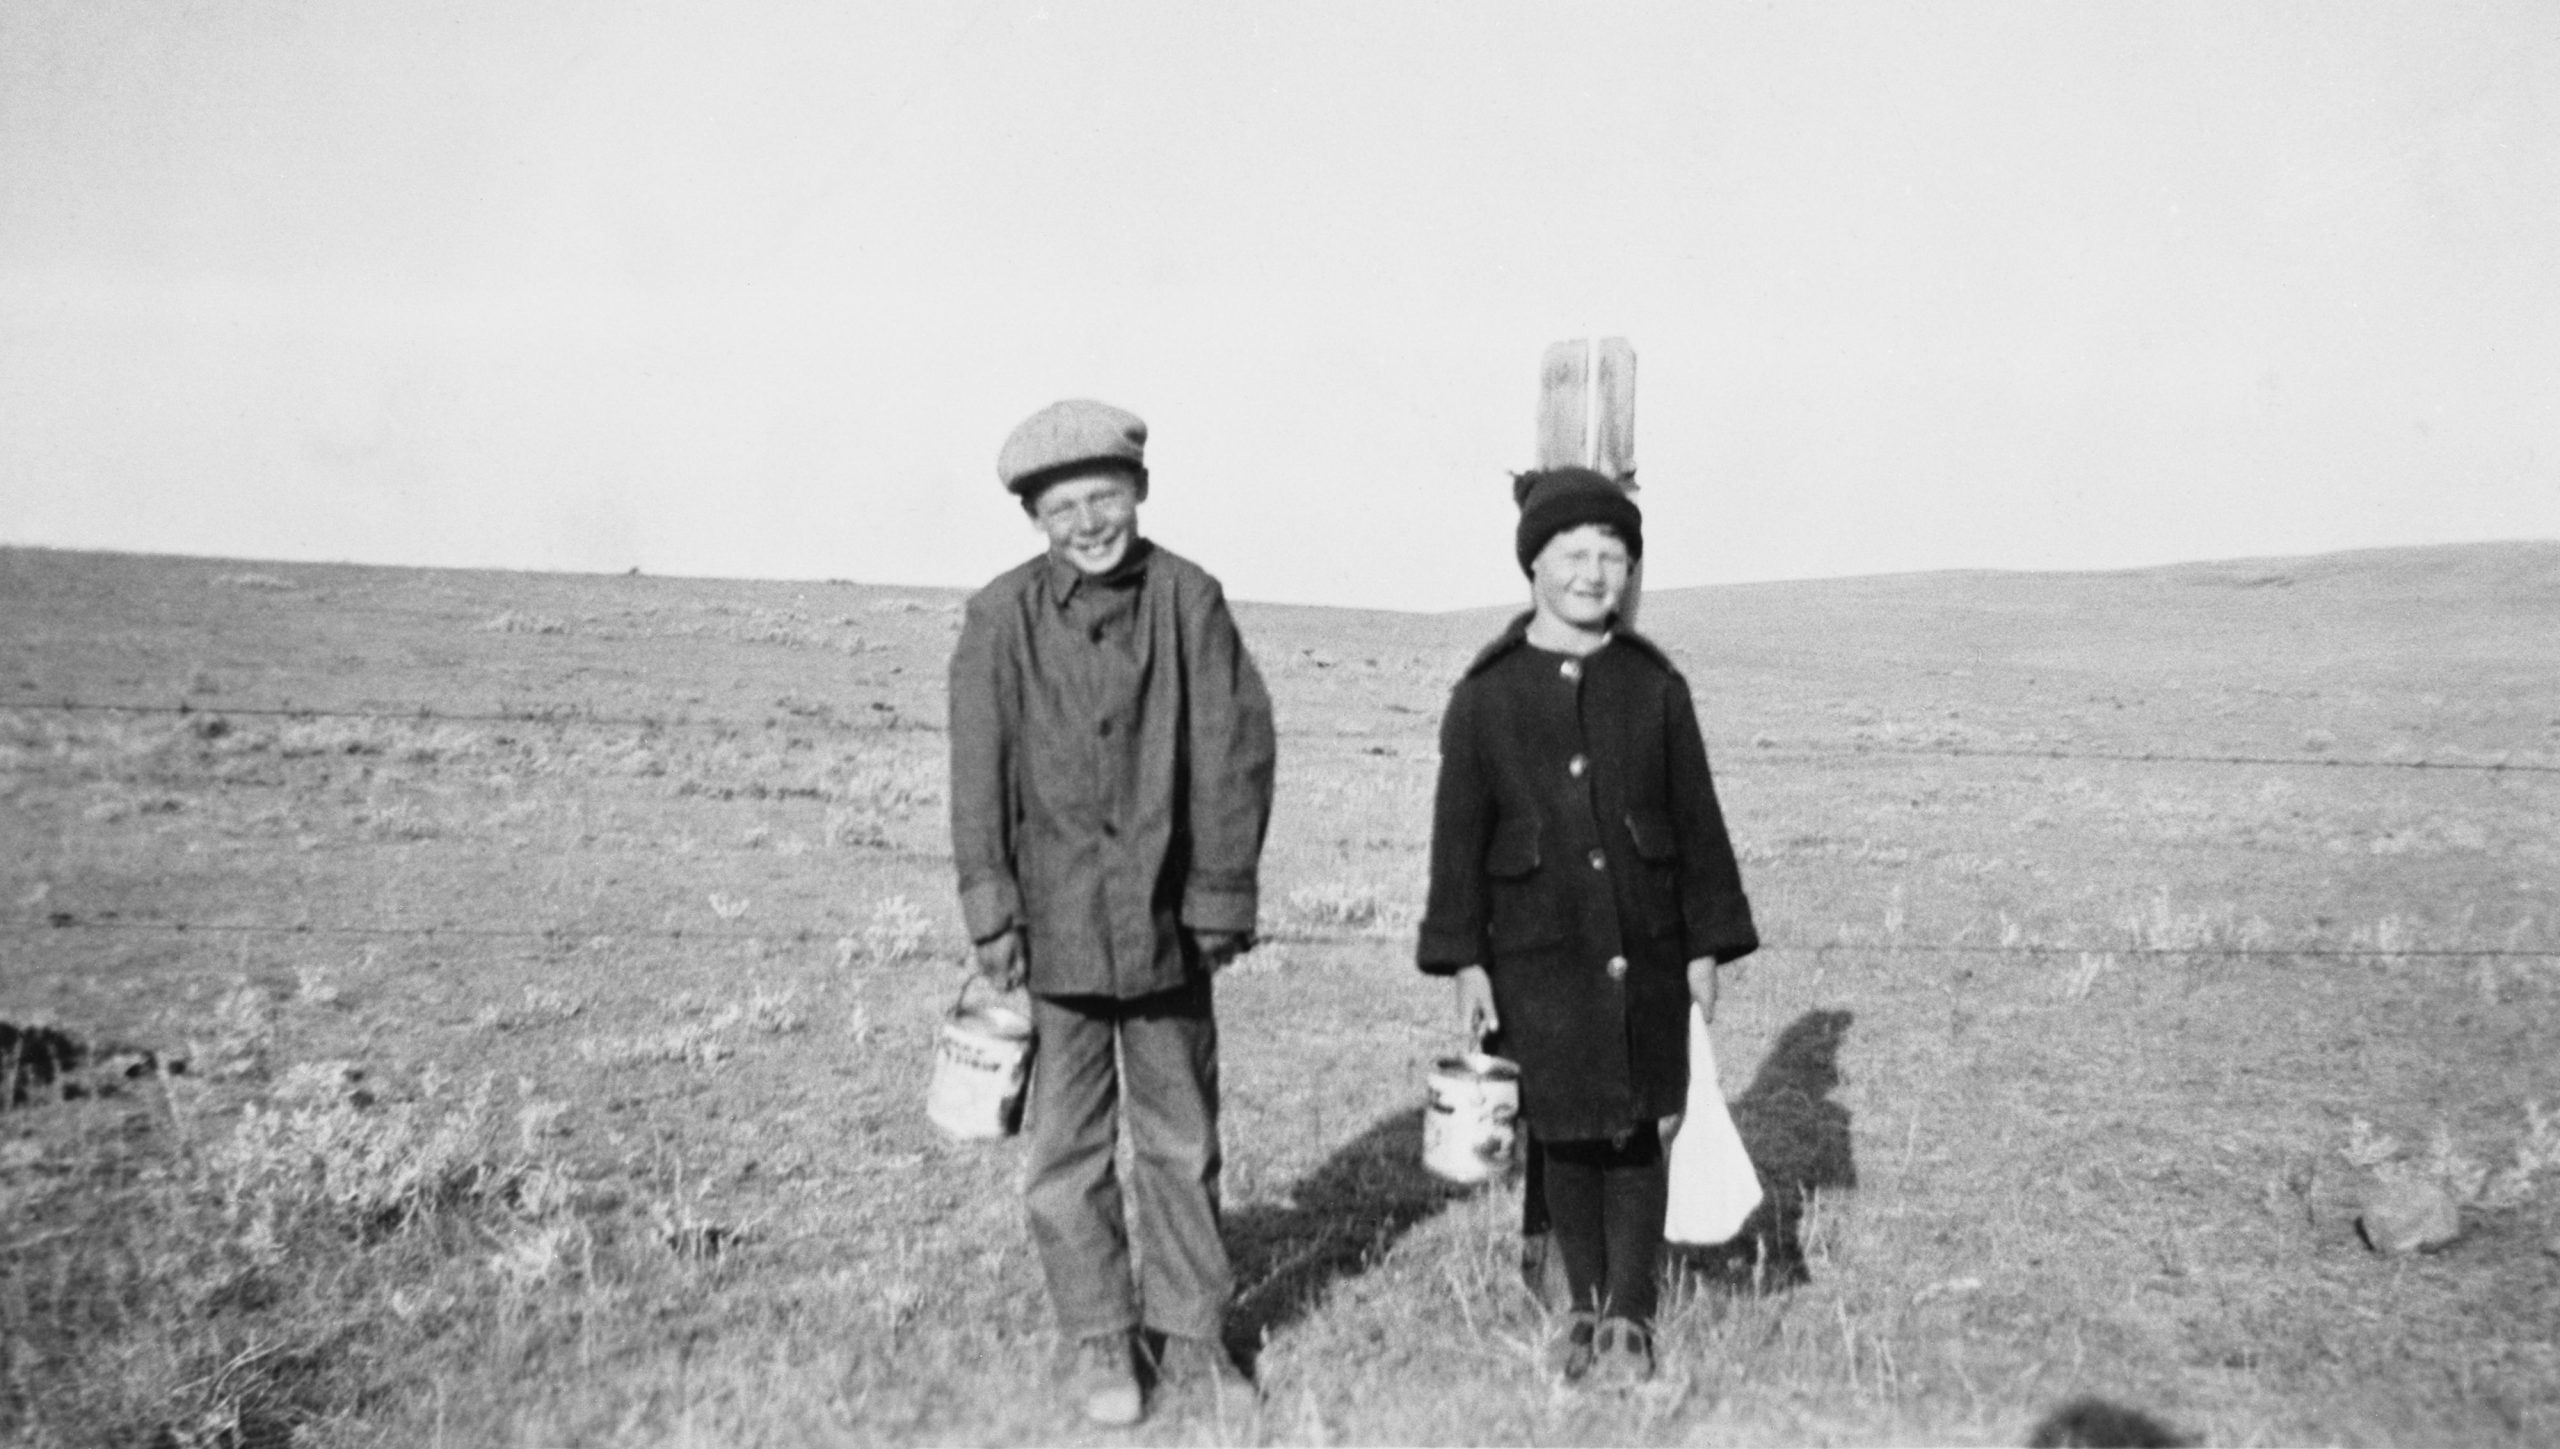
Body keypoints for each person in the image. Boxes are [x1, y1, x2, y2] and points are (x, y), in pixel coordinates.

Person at [947, 398, 1278, 1427]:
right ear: (1033, 521)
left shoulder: (1190, 599)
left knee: (1180, 1139)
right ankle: (1100, 1338)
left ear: (1138, 491)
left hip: (1172, 926)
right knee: (1065, 1151)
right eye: (1061, 509)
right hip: (1052, 936)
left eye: (1103, 498)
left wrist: (1220, 892)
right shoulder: (1001, 617)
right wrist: (991, 907)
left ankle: (1187, 1335)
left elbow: (1235, 754)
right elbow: (977, 771)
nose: (1088, 524)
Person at [1416, 467, 1758, 1387]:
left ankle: (1633, 1318)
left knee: (1643, 1126)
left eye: (1614, 556)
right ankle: (1582, 1305)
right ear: (1534, 565)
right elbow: (1459, 836)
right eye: (1574, 554)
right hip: (1537, 951)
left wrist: (1702, 944)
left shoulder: (1655, 686)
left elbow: (1697, 819)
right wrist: (1465, 959)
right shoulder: (1485, 694)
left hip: (1647, 945)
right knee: (1565, 1129)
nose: (1594, 573)